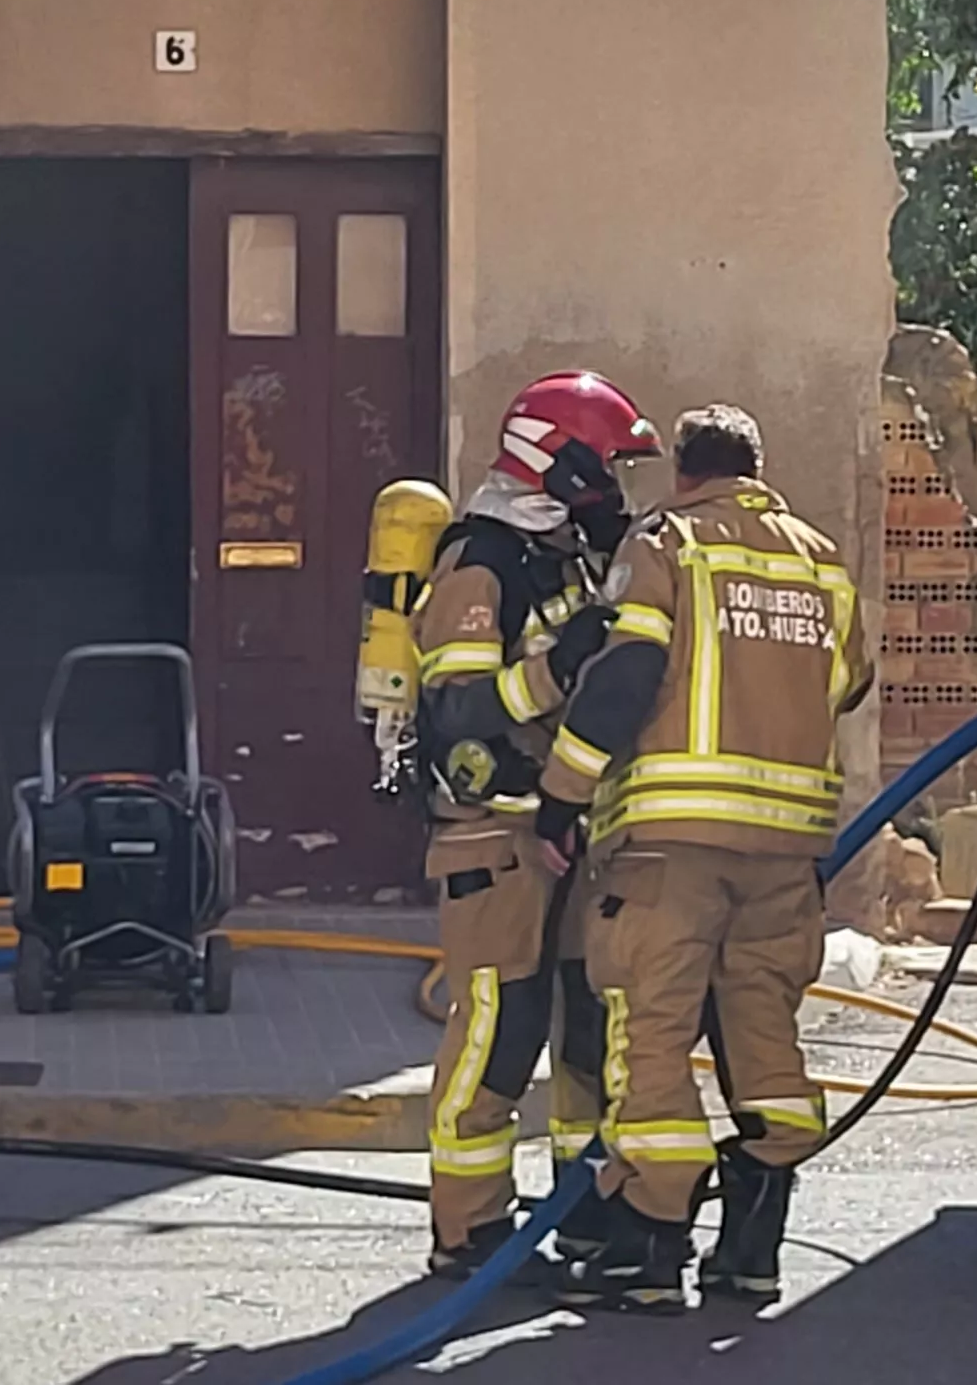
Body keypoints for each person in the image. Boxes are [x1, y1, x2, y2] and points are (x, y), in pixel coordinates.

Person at [535, 404, 871, 1312]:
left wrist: (561, 800)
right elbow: (849, 681)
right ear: (757, 469)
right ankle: (752, 1251)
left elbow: (626, 674)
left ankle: (649, 1251)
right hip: (788, 854)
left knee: (651, 1042)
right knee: (765, 1042)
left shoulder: (671, 543)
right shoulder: (822, 560)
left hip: (674, 848)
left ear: (686, 471)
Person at [406, 370, 654, 1274]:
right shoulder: (483, 562)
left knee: (587, 1028)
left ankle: (577, 1208)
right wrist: (560, 661)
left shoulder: (564, 555)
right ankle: (469, 1229)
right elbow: (464, 712)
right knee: (499, 1032)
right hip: (494, 832)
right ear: (559, 461)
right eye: (610, 464)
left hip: (570, 831)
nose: (618, 485)